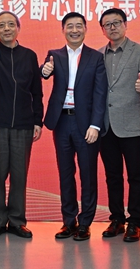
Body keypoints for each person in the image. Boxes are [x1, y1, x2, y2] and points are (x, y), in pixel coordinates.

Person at [0, 11, 44, 239]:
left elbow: (37, 91)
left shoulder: (29, 55)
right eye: (2, 25)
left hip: (23, 123)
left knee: (19, 174)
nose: (6, 29)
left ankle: (16, 221)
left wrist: (37, 120)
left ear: (18, 28)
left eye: (11, 24)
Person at [41, 12, 107, 241]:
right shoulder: (55, 55)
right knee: (66, 173)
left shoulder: (96, 57)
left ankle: (85, 223)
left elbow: (100, 94)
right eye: (70, 26)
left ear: (85, 29)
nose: (75, 30)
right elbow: (45, 70)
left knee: (88, 174)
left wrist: (95, 125)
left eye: (79, 26)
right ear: (63, 30)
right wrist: (44, 71)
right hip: (61, 121)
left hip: (86, 123)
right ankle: (69, 221)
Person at [98, 8, 140, 242]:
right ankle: (117, 219)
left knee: (136, 176)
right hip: (106, 125)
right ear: (103, 29)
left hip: (132, 123)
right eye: (107, 24)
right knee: (112, 176)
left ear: (125, 24)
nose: (112, 27)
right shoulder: (97, 55)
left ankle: (135, 222)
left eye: (116, 22)